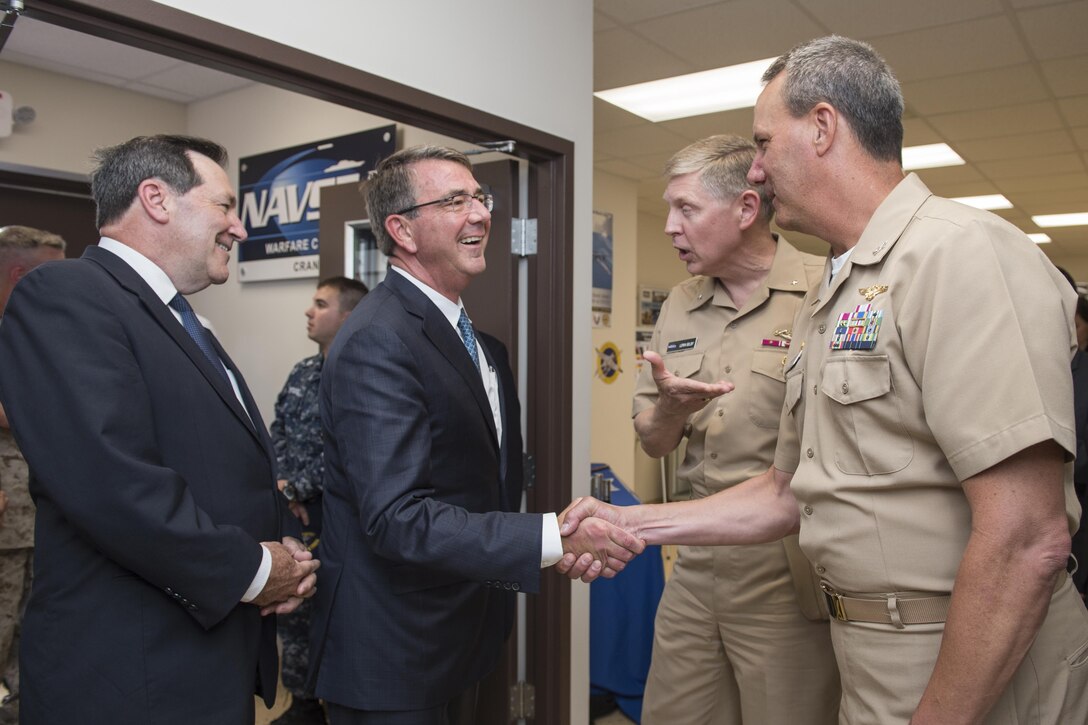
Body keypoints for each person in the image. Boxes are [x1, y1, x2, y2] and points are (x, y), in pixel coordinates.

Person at [561, 36, 1088, 724]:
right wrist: (629, 519)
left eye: (761, 141)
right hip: (865, 648)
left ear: (822, 127)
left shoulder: (959, 256)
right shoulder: (840, 290)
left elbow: (1027, 537)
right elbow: (788, 490)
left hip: (964, 657)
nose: (753, 170)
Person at [308, 145, 643, 725]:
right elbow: (398, 517)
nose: (482, 214)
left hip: (464, 634)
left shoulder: (479, 344)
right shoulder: (378, 340)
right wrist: (550, 537)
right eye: (455, 200)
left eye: (480, 198)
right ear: (402, 230)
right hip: (395, 652)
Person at [0, 134, 320, 723]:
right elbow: (111, 481)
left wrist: (286, 553)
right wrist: (252, 571)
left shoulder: (182, 318)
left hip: (201, 653)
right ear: (156, 198)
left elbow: (216, 462)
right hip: (130, 674)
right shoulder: (66, 293)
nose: (239, 228)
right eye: (225, 205)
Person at [632, 136, 837, 725]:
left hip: (786, 570)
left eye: (686, 209)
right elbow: (653, 440)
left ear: (747, 209)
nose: (670, 227)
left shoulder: (824, 291)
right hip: (694, 562)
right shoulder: (680, 303)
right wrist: (671, 409)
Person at [271, 275, 368, 725]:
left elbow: (355, 453)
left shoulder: (366, 374)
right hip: (296, 517)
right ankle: (304, 705)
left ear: (347, 317)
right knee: (294, 612)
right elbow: (277, 433)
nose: (309, 311)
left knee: (343, 616)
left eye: (320, 304)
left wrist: (297, 488)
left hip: (343, 521)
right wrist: (281, 484)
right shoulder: (302, 372)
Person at [0, 226, 66, 718]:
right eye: (50, 270)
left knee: (32, 618)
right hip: (5, 507)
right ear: (20, 274)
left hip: (43, 508)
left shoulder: (42, 329)